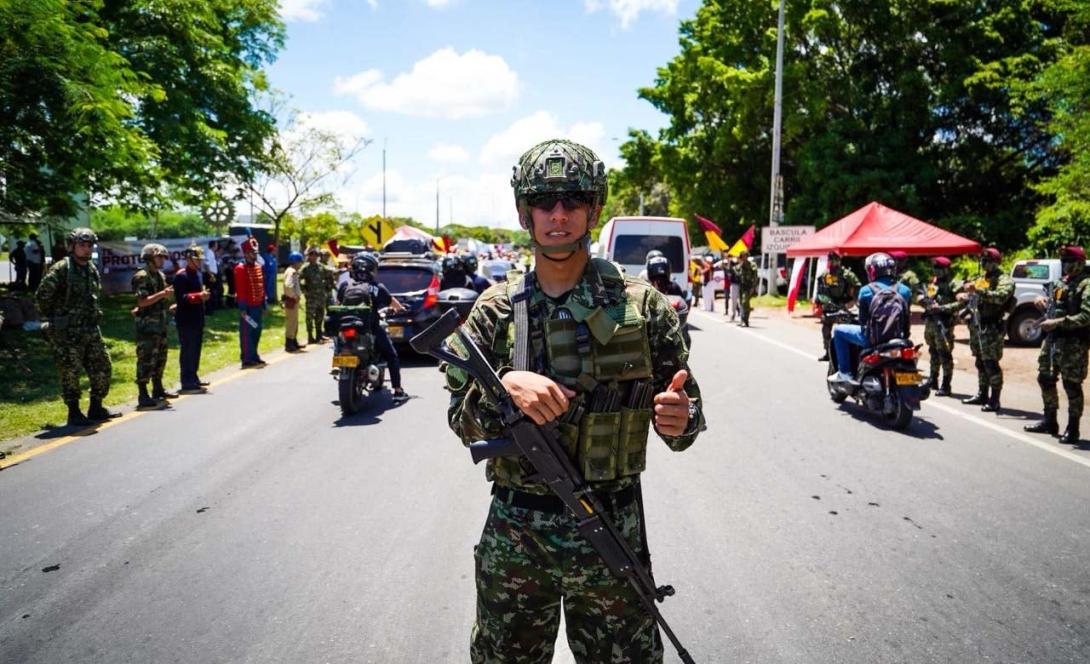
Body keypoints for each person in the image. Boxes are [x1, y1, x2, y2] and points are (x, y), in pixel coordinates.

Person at [446, 139, 703, 663]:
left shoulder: (642, 306)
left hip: (612, 526)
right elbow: (460, 419)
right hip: (519, 534)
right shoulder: (496, 312)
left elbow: (687, 412)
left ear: (594, 209)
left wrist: (682, 420)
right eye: (544, 202)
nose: (558, 215)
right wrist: (503, 389)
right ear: (525, 212)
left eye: (573, 201)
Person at [35, 228, 119, 426]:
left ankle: (96, 407)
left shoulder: (91, 269)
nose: (87, 249)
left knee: (103, 367)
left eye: (90, 245)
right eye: (82, 245)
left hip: (90, 329)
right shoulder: (62, 268)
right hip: (68, 333)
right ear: (72, 246)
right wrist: (56, 319)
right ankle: (74, 412)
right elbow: (41, 297)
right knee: (70, 372)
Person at [1024, 246, 1090, 443]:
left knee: (1072, 385)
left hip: (1074, 343)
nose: (1065, 266)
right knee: (1045, 378)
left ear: (1079, 263)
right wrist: (1041, 300)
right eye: (1063, 262)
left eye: (1069, 262)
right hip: (1053, 341)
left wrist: (1058, 322)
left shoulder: (1086, 285)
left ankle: (1073, 427)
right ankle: (1049, 420)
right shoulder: (1061, 282)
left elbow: (1086, 316)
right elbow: (1051, 302)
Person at [829, 252, 913, 384]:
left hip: (873, 340)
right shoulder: (905, 290)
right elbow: (907, 317)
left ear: (872, 270)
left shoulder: (866, 290)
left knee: (839, 331)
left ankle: (844, 373)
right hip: (899, 339)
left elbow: (863, 321)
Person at [336, 252, 409, 403]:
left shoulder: (345, 286)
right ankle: (398, 390)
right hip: (371, 328)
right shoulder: (377, 288)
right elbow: (393, 303)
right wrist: (401, 308)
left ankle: (338, 363)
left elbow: (338, 304)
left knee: (339, 343)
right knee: (392, 355)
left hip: (346, 327)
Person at [956, 247, 1015, 412]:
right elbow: (974, 298)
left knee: (991, 364)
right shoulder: (981, 278)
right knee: (980, 362)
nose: (984, 264)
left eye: (987, 261)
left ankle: (994, 399)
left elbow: (1001, 296)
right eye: (982, 261)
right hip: (977, 325)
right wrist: (965, 297)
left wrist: (977, 290)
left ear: (996, 262)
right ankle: (982, 393)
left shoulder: (1004, 279)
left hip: (992, 327)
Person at [132, 243, 175, 410]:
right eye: (159, 257)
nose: (162, 260)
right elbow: (142, 301)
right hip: (147, 326)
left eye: (163, 257)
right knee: (146, 359)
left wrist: (169, 305)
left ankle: (158, 389)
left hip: (160, 323)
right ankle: (143, 394)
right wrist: (163, 294)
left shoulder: (160, 275)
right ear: (150, 258)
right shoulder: (141, 276)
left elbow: (159, 299)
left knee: (160, 358)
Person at [920, 256, 959, 396]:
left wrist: (942, 308)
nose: (936, 271)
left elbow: (961, 303)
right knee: (933, 352)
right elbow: (929, 298)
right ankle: (933, 379)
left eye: (939, 268)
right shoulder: (934, 282)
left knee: (945, 355)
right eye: (935, 268)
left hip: (944, 323)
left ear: (946, 270)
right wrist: (923, 301)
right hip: (931, 323)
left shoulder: (954, 284)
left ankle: (946, 384)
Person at [173, 245, 210, 393]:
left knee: (196, 349)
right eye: (196, 260)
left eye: (200, 260)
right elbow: (181, 298)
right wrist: (199, 296)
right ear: (188, 259)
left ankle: (193, 376)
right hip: (186, 319)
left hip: (197, 317)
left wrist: (203, 296)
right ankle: (186, 380)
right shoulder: (181, 276)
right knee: (188, 349)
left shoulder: (198, 274)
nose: (199, 262)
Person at [815, 251, 860, 361]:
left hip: (843, 306)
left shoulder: (846, 274)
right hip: (829, 306)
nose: (834, 263)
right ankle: (828, 353)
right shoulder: (825, 275)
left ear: (839, 261)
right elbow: (820, 290)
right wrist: (819, 301)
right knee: (826, 330)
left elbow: (858, 286)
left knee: (843, 330)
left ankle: (846, 355)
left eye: (836, 260)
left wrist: (853, 301)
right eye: (831, 260)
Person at [234, 238, 267, 367]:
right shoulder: (240, 269)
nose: (255, 255)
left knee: (257, 331)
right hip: (247, 308)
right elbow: (241, 290)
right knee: (247, 333)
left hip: (257, 307)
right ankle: (247, 358)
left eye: (255, 253)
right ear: (246, 254)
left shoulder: (258, 267)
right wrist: (243, 309)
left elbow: (261, 286)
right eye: (253, 253)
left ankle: (254, 355)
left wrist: (264, 304)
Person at [300, 246, 329, 344]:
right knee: (309, 317)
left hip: (320, 296)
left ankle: (319, 335)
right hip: (311, 297)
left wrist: (328, 288)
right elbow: (299, 279)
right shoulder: (305, 268)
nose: (314, 256)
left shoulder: (321, 266)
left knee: (320, 316)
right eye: (312, 254)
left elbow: (329, 274)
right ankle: (310, 336)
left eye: (316, 255)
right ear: (309, 256)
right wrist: (304, 291)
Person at [282, 251, 306, 352]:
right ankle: (289, 344)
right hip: (291, 301)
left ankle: (294, 341)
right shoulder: (291, 272)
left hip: (292, 300)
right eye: (300, 262)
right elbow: (288, 286)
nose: (301, 264)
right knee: (291, 323)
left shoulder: (291, 270)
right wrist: (294, 296)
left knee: (294, 322)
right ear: (296, 262)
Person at [737, 250, 758, 326]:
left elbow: (755, 276)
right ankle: (744, 320)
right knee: (742, 304)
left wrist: (753, 287)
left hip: (748, 287)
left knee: (744, 302)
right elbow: (735, 272)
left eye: (745, 256)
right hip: (741, 286)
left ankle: (745, 319)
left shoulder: (752, 265)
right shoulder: (740, 265)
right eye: (742, 256)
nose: (743, 258)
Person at [204, 240, 222, 312]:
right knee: (210, 291)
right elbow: (206, 264)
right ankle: (209, 309)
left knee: (213, 291)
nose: (217, 246)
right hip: (210, 274)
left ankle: (212, 307)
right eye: (216, 245)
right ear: (213, 245)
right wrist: (210, 275)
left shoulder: (211, 252)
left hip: (212, 274)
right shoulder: (208, 252)